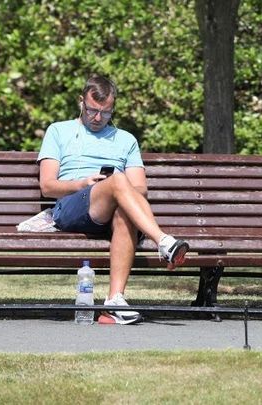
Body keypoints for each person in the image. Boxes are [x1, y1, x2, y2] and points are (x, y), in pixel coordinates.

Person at [38, 74, 190, 325]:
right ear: (81, 102)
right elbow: (47, 186)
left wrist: (113, 188)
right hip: (71, 205)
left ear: (113, 109)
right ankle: (163, 242)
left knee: (123, 204)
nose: (97, 119)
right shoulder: (58, 130)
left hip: (109, 212)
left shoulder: (125, 139)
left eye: (105, 113)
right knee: (119, 179)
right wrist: (83, 183)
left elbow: (140, 188)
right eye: (92, 111)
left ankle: (114, 302)